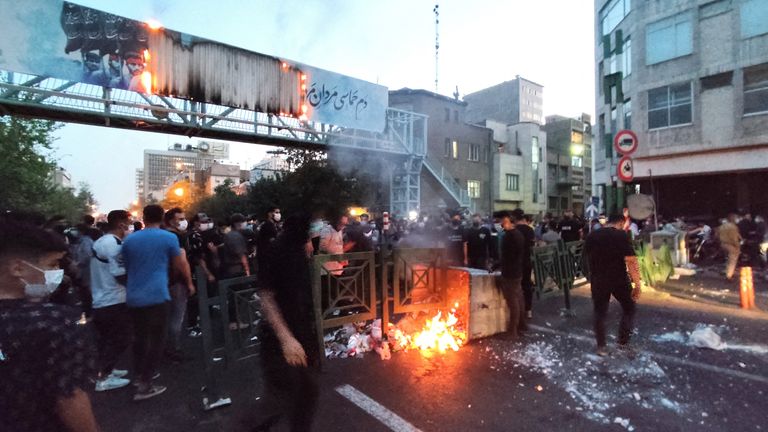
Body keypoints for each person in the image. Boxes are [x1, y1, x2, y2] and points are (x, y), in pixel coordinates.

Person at [0, 219, 100, 431]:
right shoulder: (56, 322)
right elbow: (70, 398)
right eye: (52, 264)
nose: (58, 272)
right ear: (18, 268)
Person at [122, 205, 195, 401]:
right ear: (162, 218)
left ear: (143, 218)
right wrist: (189, 283)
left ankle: (138, 376)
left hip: (133, 295)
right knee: (157, 339)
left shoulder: (129, 240)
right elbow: (180, 263)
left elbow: (128, 266)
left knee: (140, 338)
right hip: (157, 294)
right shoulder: (169, 238)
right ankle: (146, 385)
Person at [255, 213, 320, 431]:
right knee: (277, 401)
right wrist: (286, 340)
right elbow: (266, 297)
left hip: (299, 334)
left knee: (305, 395)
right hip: (279, 340)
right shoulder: (277, 251)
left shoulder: (299, 253)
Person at [584, 214, 643, 356]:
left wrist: (591, 275)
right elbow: (631, 261)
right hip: (619, 279)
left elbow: (585, 257)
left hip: (599, 279)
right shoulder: (621, 236)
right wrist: (637, 284)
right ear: (621, 223)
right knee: (629, 308)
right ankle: (623, 343)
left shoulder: (592, 235)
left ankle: (601, 347)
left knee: (600, 313)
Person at [90, 210, 134, 392]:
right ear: (121, 224)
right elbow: (119, 274)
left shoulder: (101, 240)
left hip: (102, 298)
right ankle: (103, 377)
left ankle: (107, 370)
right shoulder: (113, 244)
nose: (130, 225)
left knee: (107, 339)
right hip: (113, 299)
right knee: (120, 338)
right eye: (128, 222)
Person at [163, 207, 193, 362]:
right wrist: (189, 282)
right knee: (177, 316)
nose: (183, 221)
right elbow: (182, 262)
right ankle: (173, 349)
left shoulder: (162, 235)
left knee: (167, 316)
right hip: (176, 282)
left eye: (184, 218)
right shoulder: (176, 237)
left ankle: (165, 347)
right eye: (180, 219)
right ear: (170, 221)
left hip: (163, 282)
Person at [492, 210, 526, 339]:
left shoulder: (511, 236)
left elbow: (509, 257)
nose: (501, 224)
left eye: (504, 221)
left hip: (511, 273)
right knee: (518, 298)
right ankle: (522, 325)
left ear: (510, 222)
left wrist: (500, 266)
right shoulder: (516, 234)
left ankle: (512, 332)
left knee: (513, 302)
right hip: (516, 271)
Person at [220, 213, 252, 330]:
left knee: (235, 298)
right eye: (244, 222)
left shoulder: (230, 235)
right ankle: (234, 322)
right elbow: (241, 255)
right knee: (237, 298)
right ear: (237, 223)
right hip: (236, 270)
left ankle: (234, 322)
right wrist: (247, 270)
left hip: (232, 269)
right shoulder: (235, 236)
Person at [513, 209, 536, 319]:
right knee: (527, 285)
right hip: (527, 261)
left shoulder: (514, 230)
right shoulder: (530, 230)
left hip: (516, 262)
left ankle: (517, 311)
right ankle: (528, 309)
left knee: (515, 287)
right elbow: (532, 246)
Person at [257, 207, 281, 275]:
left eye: (279, 212)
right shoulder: (268, 225)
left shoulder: (272, 225)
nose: (279, 214)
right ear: (270, 214)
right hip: (268, 258)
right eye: (276, 212)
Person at [718, 214, 742, 280]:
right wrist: (738, 246)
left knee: (728, 260)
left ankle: (727, 272)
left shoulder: (722, 226)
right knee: (732, 261)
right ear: (733, 219)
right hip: (731, 245)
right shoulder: (733, 227)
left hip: (723, 244)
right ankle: (729, 276)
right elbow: (734, 238)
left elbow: (717, 235)